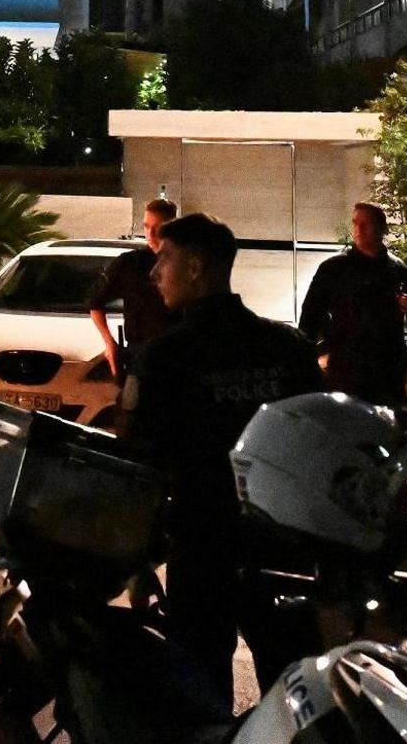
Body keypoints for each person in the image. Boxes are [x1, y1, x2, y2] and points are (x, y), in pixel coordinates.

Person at [125, 213, 323, 706]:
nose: (154, 274)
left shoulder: (165, 358)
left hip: (201, 549)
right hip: (283, 550)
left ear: (194, 268)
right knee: (297, 700)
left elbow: (138, 464)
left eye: (163, 259)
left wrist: (136, 556)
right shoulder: (288, 349)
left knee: (199, 699)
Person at [298, 202, 407, 407]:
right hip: (346, 369)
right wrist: (322, 349)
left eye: (366, 224)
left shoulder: (399, 273)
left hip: (387, 372)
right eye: (355, 223)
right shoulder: (334, 269)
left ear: (381, 229)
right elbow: (310, 317)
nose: (359, 230)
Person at [88, 198, 177, 379]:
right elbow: (94, 303)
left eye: (157, 228)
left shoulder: (186, 263)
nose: (150, 234)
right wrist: (109, 344)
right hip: (139, 357)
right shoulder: (129, 263)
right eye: (146, 226)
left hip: (178, 358)